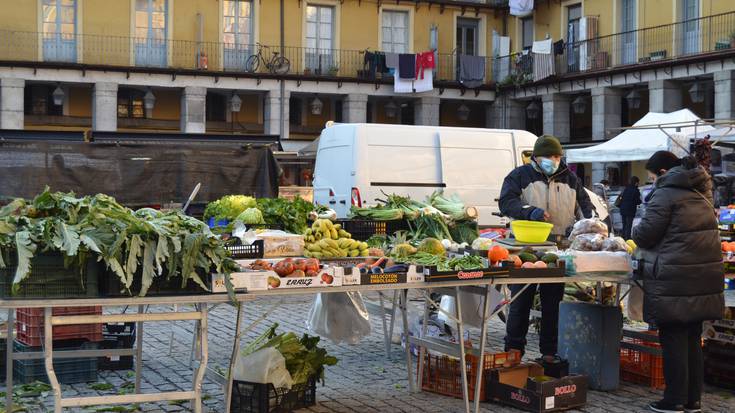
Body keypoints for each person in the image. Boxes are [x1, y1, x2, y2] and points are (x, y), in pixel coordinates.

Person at [632, 151, 724, 413]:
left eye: (651, 177)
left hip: (675, 277)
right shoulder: (702, 190)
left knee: (672, 336)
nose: (651, 182)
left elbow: (647, 234)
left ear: (662, 173)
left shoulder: (666, 192)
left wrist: (635, 230)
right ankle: (693, 400)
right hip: (702, 275)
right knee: (693, 338)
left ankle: (673, 400)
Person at [499, 135, 593, 362]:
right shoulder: (519, 176)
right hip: (525, 248)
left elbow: (585, 208)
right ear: (537, 158)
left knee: (553, 304)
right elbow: (506, 202)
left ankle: (549, 354)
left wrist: (593, 226)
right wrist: (530, 210)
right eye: (550, 156)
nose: (554, 160)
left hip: (558, 249)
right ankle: (514, 351)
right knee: (521, 300)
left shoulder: (571, 179)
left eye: (558, 156)